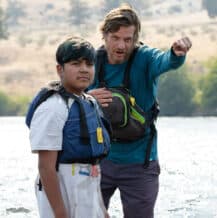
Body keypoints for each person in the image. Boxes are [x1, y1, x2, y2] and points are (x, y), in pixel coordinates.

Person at [88, 4, 192, 218]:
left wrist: (176, 54)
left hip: (140, 163)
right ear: (104, 35)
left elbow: (165, 61)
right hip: (98, 161)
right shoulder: (90, 61)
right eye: (115, 38)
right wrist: (87, 98)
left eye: (128, 39)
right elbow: (69, 95)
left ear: (135, 39)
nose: (121, 45)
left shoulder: (145, 58)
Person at [27, 36, 111, 218]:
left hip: (88, 188)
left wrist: (103, 212)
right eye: (75, 63)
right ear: (60, 69)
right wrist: (60, 213)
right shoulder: (53, 108)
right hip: (62, 191)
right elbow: (46, 167)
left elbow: (93, 166)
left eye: (89, 64)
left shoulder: (90, 103)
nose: (83, 70)